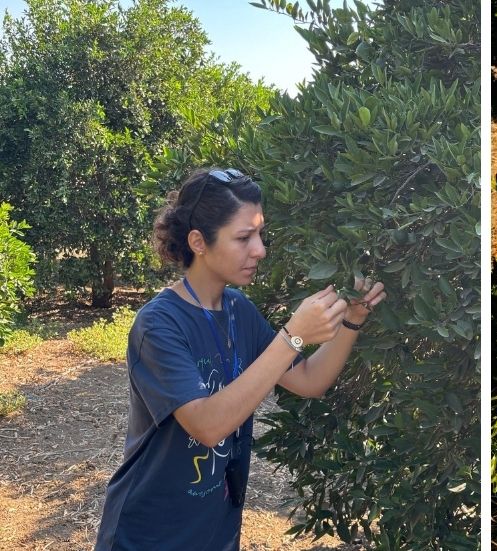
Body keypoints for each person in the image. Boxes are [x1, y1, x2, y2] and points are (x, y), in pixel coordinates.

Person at [94, 168, 386, 550]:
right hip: (148, 534)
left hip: (215, 532)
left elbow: (309, 380)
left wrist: (352, 320)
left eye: (260, 234)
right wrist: (293, 336)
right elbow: (207, 425)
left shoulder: (238, 310)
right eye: (244, 237)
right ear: (198, 242)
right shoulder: (159, 323)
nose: (260, 250)